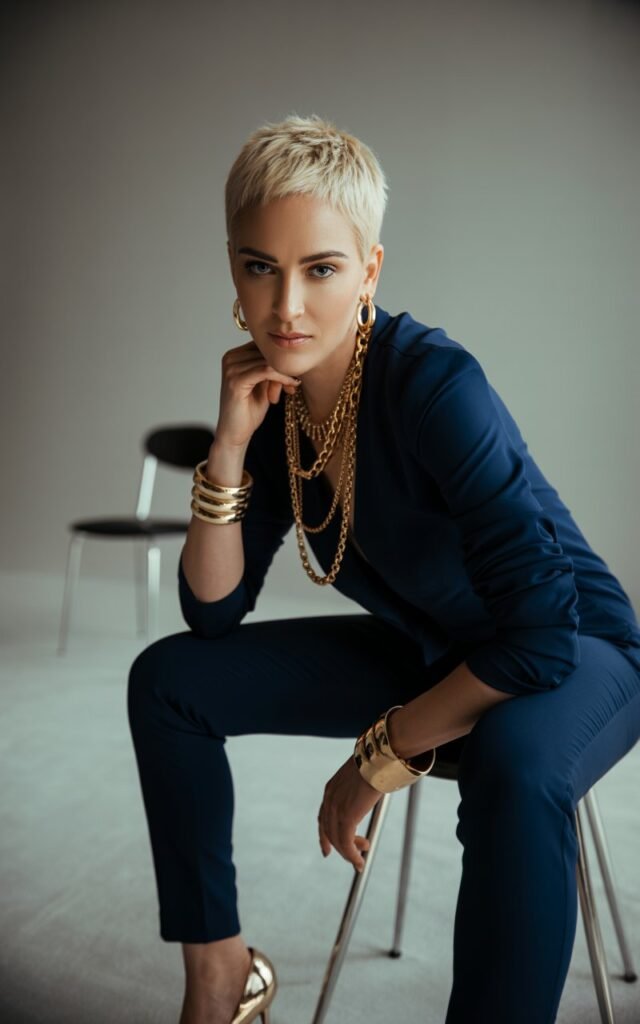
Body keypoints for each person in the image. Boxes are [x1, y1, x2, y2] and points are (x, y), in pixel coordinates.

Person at [127, 113, 640, 1024]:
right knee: (168, 682)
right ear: (233, 270)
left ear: (368, 271)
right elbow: (212, 614)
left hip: (576, 650)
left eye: (321, 269)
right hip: (435, 649)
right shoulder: (279, 412)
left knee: (515, 765)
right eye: (260, 267)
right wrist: (230, 447)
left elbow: (539, 638)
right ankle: (222, 977)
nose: (287, 307)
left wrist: (379, 755)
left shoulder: (435, 386)